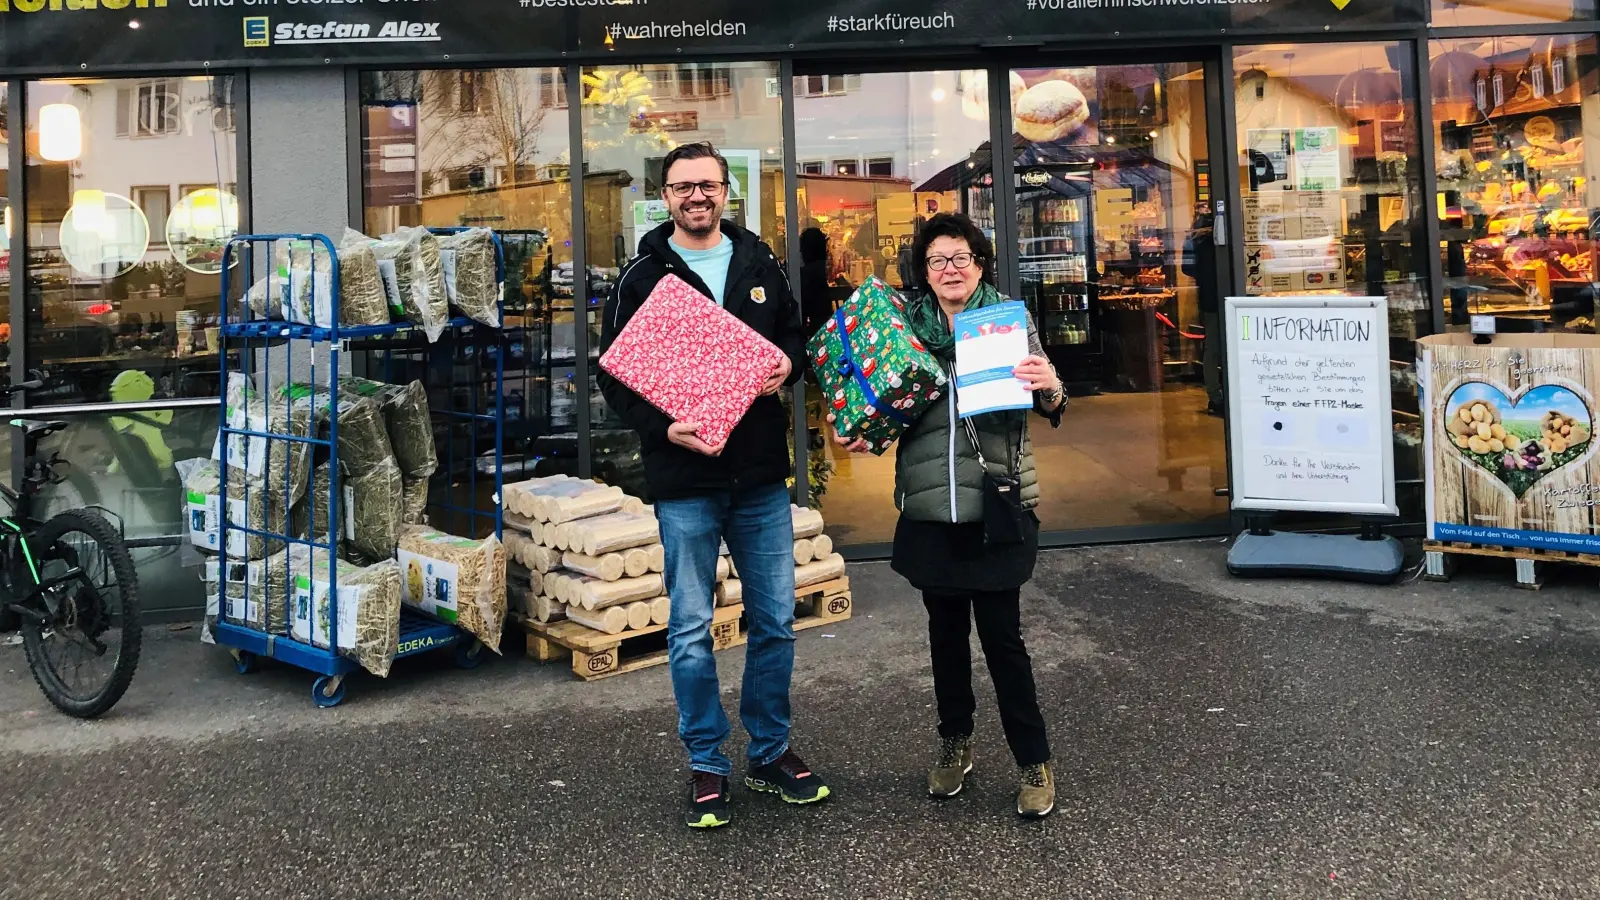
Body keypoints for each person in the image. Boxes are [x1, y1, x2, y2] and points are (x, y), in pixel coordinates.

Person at [597, 142, 824, 830]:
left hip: (757, 475)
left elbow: (794, 342)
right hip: (685, 480)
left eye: (707, 185)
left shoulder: (760, 262)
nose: (696, 196)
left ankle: (769, 750)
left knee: (776, 622)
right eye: (682, 187)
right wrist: (663, 432)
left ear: (727, 191)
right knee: (692, 629)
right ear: (664, 196)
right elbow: (614, 376)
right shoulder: (641, 275)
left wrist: (786, 366)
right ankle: (706, 759)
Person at [833, 212, 1065, 819]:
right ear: (923, 270)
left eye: (960, 257)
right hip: (932, 505)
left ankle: (1032, 758)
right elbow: (872, 401)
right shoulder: (902, 325)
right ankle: (954, 742)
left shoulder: (1006, 322)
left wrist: (1050, 385)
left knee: (1003, 639)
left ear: (980, 262)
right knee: (945, 638)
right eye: (936, 260)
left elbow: (1049, 399)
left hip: (997, 500)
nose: (949, 270)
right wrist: (857, 428)